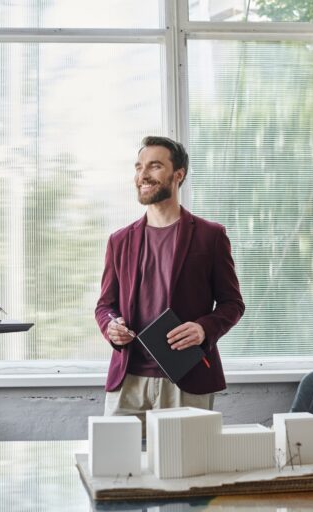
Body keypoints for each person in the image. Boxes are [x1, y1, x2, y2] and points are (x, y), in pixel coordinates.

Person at [94, 135, 245, 428]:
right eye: (138, 167)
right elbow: (105, 305)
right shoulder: (119, 241)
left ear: (178, 175)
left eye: (154, 166)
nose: (142, 175)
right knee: (117, 469)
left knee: (188, 471)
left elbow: (232, 304)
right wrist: (110, 325)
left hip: (187, 379)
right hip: (128, 381)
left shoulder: (210, 236)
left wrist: (203, 329)